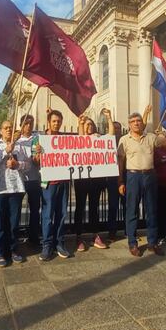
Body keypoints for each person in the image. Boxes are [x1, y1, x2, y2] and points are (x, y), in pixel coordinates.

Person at [117, 112, 166, 257]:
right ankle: (132, 243)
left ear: (142, 123)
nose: (136, 123)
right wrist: (120, 181)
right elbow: (120, 162)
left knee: (152, 210)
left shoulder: (151, 137)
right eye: (133, 121)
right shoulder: (124, 140)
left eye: (138, 120)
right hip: (132, 176)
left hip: (150, 175)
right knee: (132, 210)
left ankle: (152, 242)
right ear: (129, 124)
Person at [0, 120, 29, 267]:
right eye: (5, 128)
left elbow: (28, 165)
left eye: (11, 128)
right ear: (0, 131)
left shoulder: (20, 146)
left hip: (15, 189)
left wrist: (17, 165)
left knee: (13, 223)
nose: (9, 130)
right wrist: (5, 151)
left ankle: (12, 250)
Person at [73, 109, 115, 252]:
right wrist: (80, 123)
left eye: (91, 124)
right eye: (87, 125)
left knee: (94, 208)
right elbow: (80, 138)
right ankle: (78, 236)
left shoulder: (99, 137)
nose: (89, 126)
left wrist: (109, 118)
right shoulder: (80, 139)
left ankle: (95, 235)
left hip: (96, 180)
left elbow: (111, 135)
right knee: (79, 208)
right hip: (82, 180)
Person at [36, 109, 72, 261]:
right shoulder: (39, 139)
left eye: (58, 121)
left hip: (63, 182)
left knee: (62, 214)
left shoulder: (65, 139)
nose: (56, 123)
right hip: (48, 183)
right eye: (54, 121)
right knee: (47, 215)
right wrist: (38, 153)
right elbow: (35, 161)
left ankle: (59, 243)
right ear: (49, 122)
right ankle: (47, 245)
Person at [16, 114, 42, 246]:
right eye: (26, 123)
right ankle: (14, 237)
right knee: (16, 210)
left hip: (33, 179)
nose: (28, 126)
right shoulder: (16, 139)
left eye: (31, 123)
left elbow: (37, 162)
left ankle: (34, 237)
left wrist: (38, 153)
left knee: (34, 210)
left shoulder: (37, 139)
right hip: (18, 180)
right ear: (21, 124)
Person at [106, 120, 125, 240]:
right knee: (113, 206)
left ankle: (128, 230)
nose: (117, 130)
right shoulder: (106, 142)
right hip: (112, 178)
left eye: (118, 128)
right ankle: (112, 231)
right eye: (115, 128)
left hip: (125, 177)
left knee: (127, 205)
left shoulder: (125, 141)